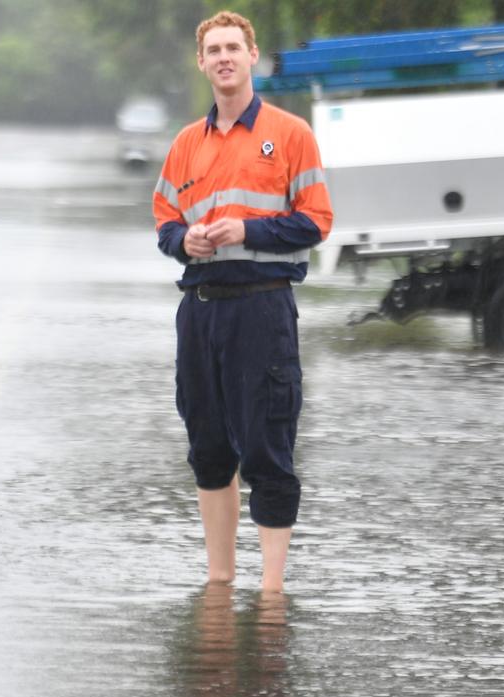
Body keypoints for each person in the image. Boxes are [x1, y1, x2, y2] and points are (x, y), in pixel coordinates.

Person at [153, 11, 333, 592]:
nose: (224, 57)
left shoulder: (291, 133)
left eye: (234, 47)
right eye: (214, 49)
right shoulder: (186, 143)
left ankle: (273, 593)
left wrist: (246, 232)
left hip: (262, 308)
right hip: (200, 308)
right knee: (207, 445)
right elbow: (164, 226)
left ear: (252, 56)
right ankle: (219, 582)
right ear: (201, 62)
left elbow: (316, 222)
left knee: (266, 446)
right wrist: (188, 239)